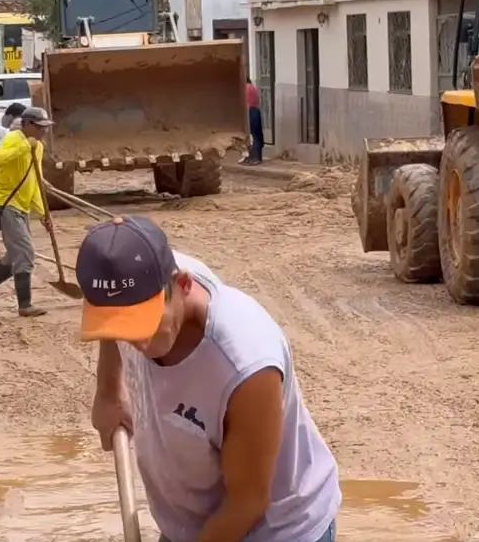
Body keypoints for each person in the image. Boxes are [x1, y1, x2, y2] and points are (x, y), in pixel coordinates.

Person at [78, 216, 340, 542]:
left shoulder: (246, 367)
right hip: (191, 524)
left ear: (183, 285)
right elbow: (111, 319)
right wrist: (108, 391)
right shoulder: (135, 280)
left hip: (274, 530)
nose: (138, 345)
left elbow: (248, 503)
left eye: (144, 326)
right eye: (122, 329)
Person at [0, 107, 54, 318]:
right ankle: (25, 305)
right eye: (40, 127)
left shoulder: (39, 147)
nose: (44, 132)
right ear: (27, 125)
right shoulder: (15, 140)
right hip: (6, 206)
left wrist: (43, 213)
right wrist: (25, 146)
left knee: (15, 254)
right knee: (25, 253)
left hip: (22, 206)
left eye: (45, 128)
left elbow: (33, 181)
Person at [244, 76, 264, 166]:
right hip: (255, 111)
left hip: (249, 111)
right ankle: (256, 157)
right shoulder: (253, 88)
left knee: (252, 136)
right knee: (256, 134)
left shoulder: (244, 89)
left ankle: (253, 157)